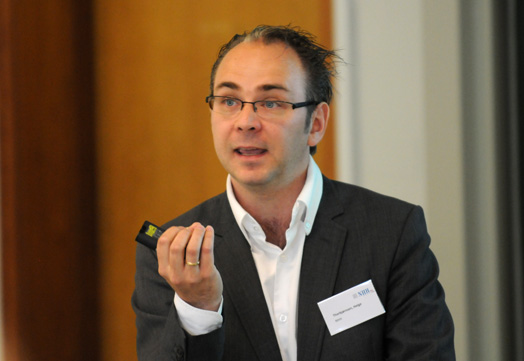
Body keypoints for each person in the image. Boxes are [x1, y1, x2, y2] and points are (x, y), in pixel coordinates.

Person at [132, 25, 455, 361]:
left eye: (271, 102)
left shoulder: (391, 231)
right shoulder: (174, 256)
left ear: (316, 123)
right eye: (229, 100)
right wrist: (199, 309)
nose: (245, 122)